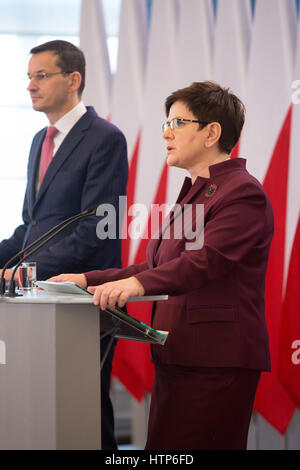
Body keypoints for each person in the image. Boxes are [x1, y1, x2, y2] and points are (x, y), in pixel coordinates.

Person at [49, 81, 274, 450]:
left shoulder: (242, 192)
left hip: (215, 360)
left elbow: (206, 261)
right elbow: (154, 265)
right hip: (180, 354)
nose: (166, 133)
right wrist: (87, 278)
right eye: (165, 124)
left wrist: (135, 288)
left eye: (178, 123)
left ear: (212, 133)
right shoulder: (195, 192)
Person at [0, 40, 128, 450]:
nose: (30, 86)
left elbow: (96, 228)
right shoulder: (40, 140)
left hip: (82, 298)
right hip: (38, 300)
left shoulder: (105, 138)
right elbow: (32, 227)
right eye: (29, 77)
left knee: (85, 409)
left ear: (73, 80)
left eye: (41, 75)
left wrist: (26, 270)